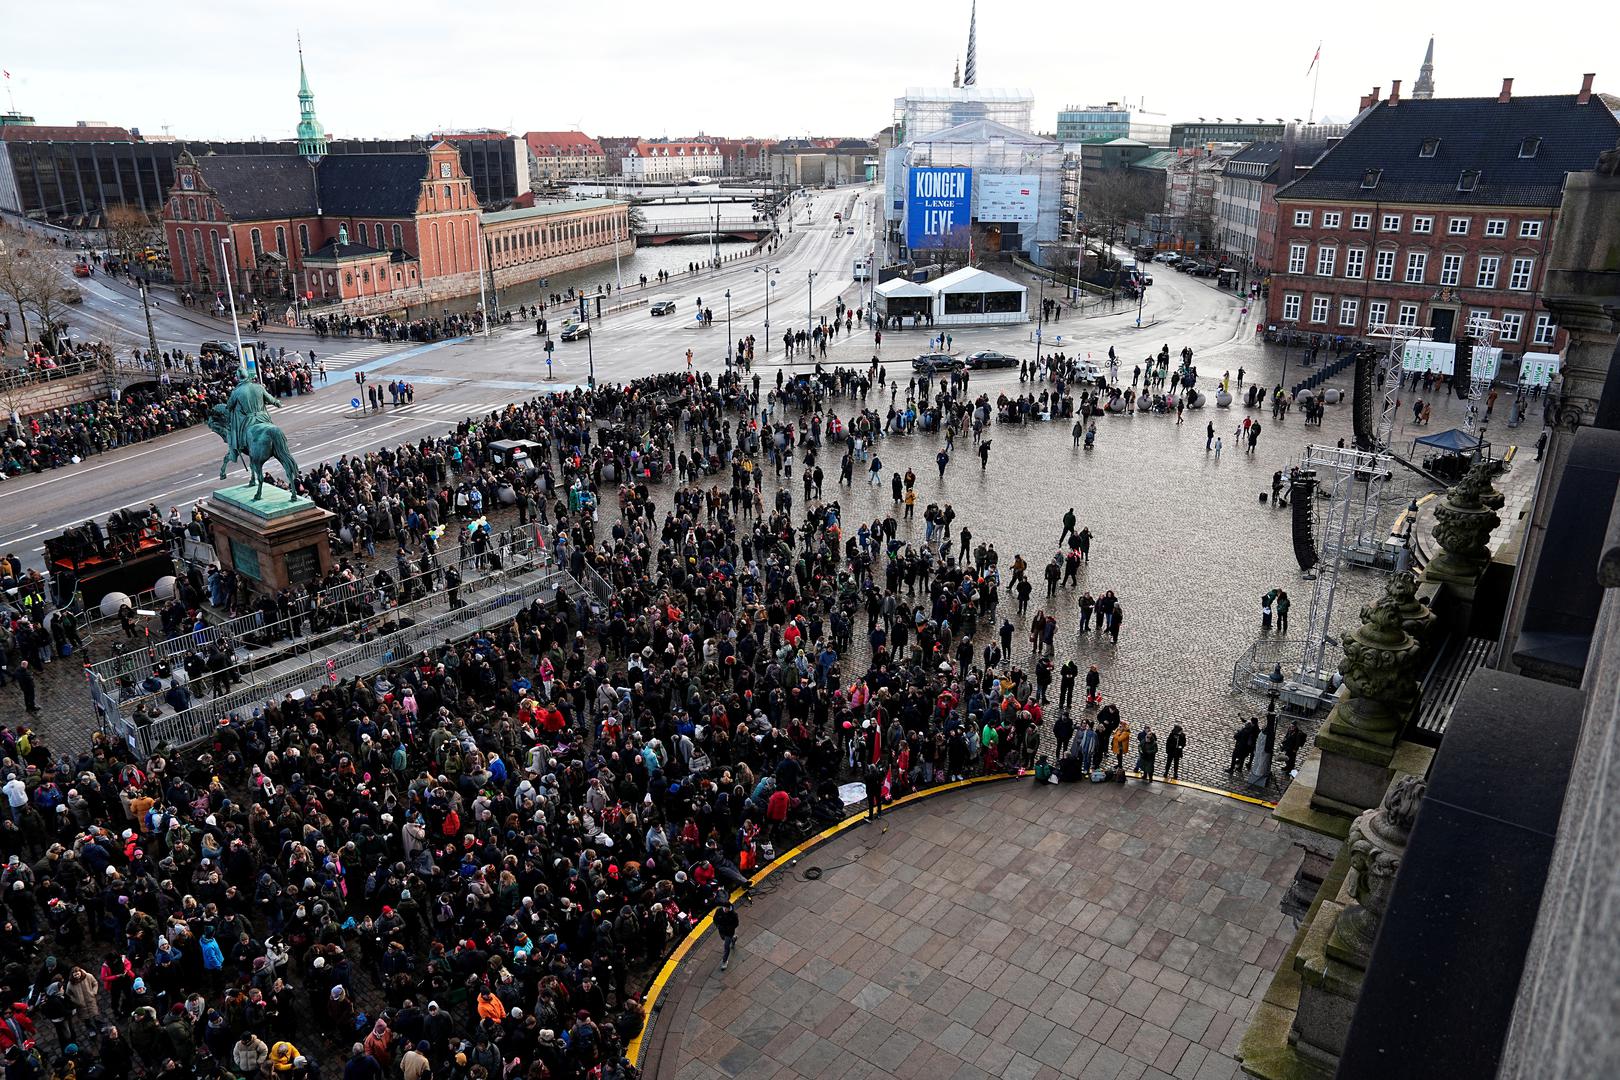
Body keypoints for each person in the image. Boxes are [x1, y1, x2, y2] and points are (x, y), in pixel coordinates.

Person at [714, 900, 740, 972]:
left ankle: (724, 961)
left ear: (729, 908)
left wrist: (729, 928)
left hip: (729, 932)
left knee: (726, 946)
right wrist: (718, 926)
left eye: (727, 908)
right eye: (724, 908)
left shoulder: (733, 914)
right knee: (724, 940)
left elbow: (736, 924)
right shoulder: (719, 911)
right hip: (722, 932)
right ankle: (733, 939)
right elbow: (715, 919)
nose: (725, 910)